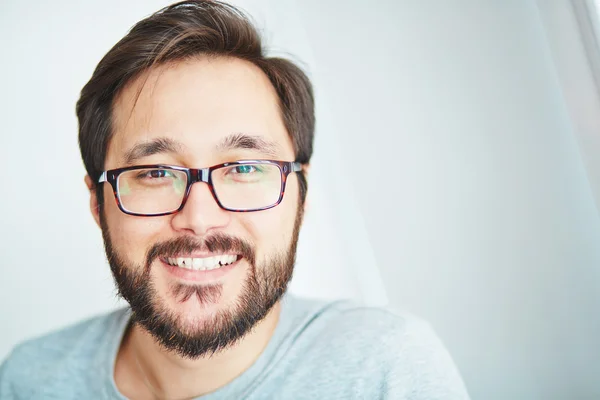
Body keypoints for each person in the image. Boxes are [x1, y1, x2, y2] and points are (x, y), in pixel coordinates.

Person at [0, 1, 470, 398]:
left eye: (244, 168)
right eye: (156, 172)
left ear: (300, 197)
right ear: (97, 204)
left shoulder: (386, 371)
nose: (200, 219)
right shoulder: (29, 378)